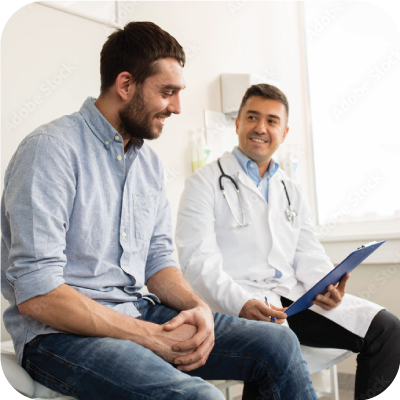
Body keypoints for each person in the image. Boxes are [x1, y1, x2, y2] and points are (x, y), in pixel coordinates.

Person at [0, 23, 319, 400]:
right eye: (167, 92)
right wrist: (150, 336)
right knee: (203, 397)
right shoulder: (50, 150)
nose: (177, 107)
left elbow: (158, 261)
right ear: (125, 85)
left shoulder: (147, 165)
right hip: (59, 338)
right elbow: (39, 294)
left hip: (138, 312)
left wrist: (198, 308)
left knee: (277, 345)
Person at [176, 83, 400, 400]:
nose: (261, 128)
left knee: (387, 329)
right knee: (271, 349)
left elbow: (308, 254)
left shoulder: (289, 189)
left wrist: (328, 286)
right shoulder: (203, 183)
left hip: (291, 300)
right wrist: (241, 302)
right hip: (236, 303)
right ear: (237, 123)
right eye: (252, 117)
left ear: (284, 132)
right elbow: (197, 265)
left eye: (272, 121)